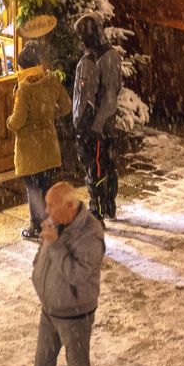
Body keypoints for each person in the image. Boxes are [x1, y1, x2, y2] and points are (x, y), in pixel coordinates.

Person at [32, 180, 105, 366]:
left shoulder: (91, 233)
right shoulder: (56, 221)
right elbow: (45, 253)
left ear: (70, 207)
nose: (47, 211)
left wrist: (54, 244)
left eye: (52, 205)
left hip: (75, 315)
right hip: (50, 310)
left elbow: (77, 275)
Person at [7, 43, 71, 240]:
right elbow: (67, 106)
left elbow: (18, 121)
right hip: (48, 143)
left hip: (29, 147)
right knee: (47, 185)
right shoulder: (51, 79)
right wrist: (51, 115)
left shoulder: (24, 88)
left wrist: (9, 123)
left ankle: (37, 226)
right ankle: (53, 222)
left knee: (33, 187)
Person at [71, 15, 124, 222]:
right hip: (107, 122)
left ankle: (97, 210)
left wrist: (86, 126)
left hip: (94, 125)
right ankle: (109, 206)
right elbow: (113, 91)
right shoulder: (112, 55)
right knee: (108, 165)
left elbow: (86, 99)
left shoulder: (90, 61)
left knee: (95, 167)